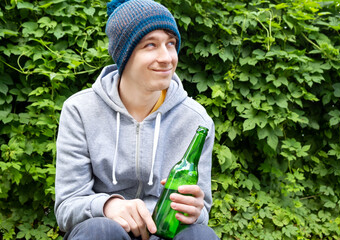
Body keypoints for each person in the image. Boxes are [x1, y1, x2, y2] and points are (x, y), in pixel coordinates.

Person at [54, 0, 218, 239]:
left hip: (164, 232)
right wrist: (108, 206)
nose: (166, 58)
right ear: (124, 55)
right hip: (106, 229)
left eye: (170, 44)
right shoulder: (80, 110)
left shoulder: (196, 120)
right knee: (99, 230)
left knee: (201, 236)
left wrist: (195, 211)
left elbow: (202, 211)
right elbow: (67, 207)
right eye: (150, 45)